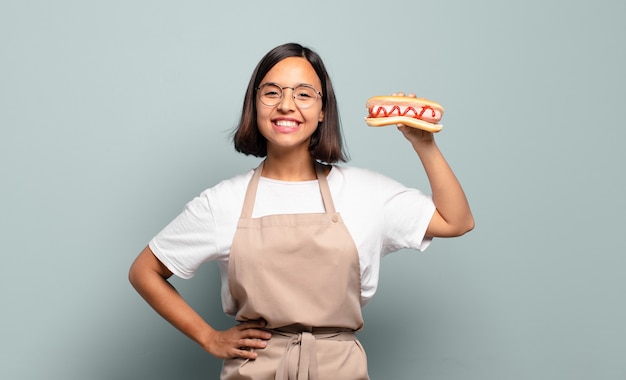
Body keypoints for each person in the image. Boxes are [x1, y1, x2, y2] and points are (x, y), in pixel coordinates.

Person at [128, 42, 474, 379]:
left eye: (304, 94)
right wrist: (209, 337)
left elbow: (456, 221)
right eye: (272, 92)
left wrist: (424, 143)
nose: (286, 105)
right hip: (255, 369)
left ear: (323, 110)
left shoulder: (367, 192)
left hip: (339, 369)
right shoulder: (223, 201)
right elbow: (144, 271)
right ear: (256, 103)